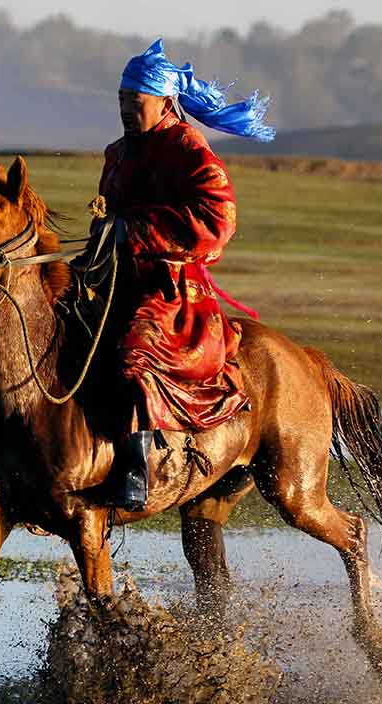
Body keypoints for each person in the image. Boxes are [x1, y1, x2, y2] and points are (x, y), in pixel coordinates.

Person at [100, 39, 275, 511]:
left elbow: (218, 221)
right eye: (120, 99)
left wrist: (133, 231)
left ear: (163, 101)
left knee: (136, 351)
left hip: (172, 289)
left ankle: (137, 464)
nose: (125, 109)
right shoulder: (116, 153)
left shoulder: (188, 148)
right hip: (115, 275)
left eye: (134, 101)